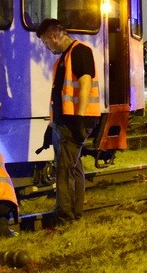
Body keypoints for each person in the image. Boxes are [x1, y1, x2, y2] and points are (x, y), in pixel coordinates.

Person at [36, 17, 100, 225]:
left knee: (64, 170)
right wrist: (51, 126)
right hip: (65, 122)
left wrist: (80, 119)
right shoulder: (64, 58)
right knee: (74, 167)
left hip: (74, 121)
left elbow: (85, 84)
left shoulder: (80, 51)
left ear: (54, 35)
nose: (46, 47)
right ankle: (75, 213)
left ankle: (65, 217)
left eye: (46, 42)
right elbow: (59, 96)